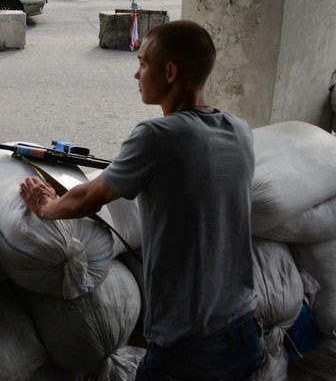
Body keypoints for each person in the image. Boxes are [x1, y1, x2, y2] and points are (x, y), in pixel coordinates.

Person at [19, 20, 266, 381]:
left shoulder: (157, 136)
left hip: (190, 344)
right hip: (245, 331)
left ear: (169, 71)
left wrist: (47, 206)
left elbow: (90, 197)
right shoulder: (239, 129)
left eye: (143, 63)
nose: (137, 75)